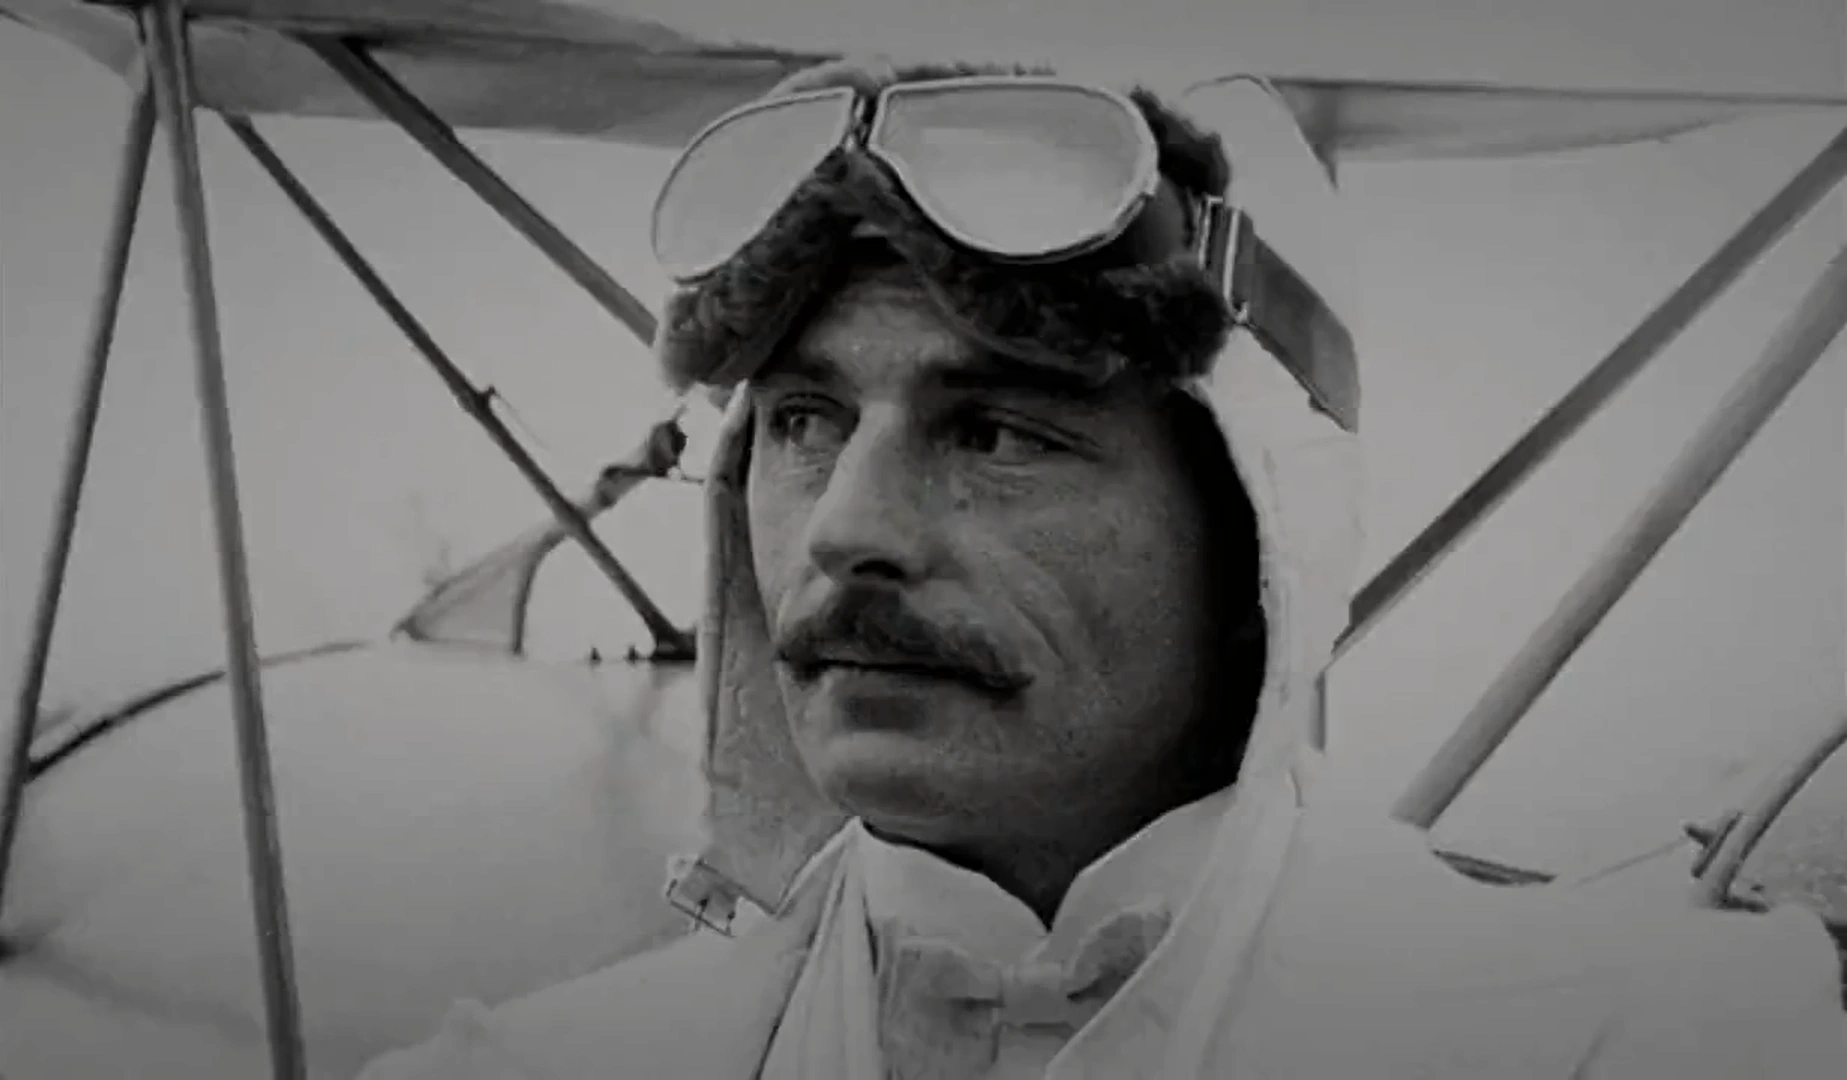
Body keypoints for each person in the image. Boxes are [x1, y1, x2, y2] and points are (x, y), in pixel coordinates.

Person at [356, 59, 1846, 1080]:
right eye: (805, 422)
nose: (845, 528)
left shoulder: (1634, 1038)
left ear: (1254, 542)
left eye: (999, 431)